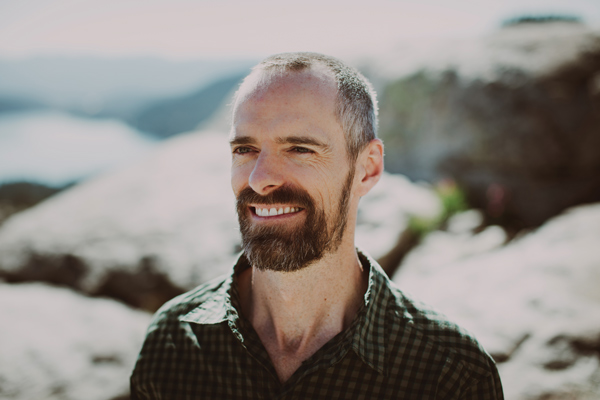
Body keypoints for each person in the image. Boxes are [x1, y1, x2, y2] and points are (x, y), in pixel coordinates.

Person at [130, 52, 504, 399]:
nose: (260, 180)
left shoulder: (449, 375)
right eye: (245, 149)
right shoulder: (174, 342)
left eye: (299, 149)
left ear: (367, 168)